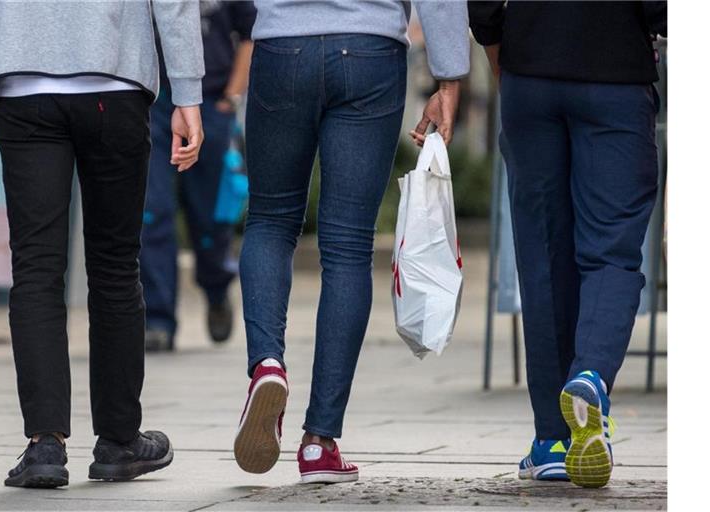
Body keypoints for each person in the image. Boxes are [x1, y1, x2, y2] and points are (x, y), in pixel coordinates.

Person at [233, 0, 469, 484]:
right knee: (348, 245)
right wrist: (449, 76)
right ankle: (320, 442)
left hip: (282, 46)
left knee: (271, 221)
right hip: (370, 49)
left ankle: (267, 365)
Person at [0, 0, 204, 488]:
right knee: (114, 265)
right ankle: (120, 442)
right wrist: (188, 95)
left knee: (37, 267)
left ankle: (45, 444)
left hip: (21, 79)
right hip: (114, 78)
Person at [468, 0, 667, 488]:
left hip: (529, 76)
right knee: (613, 252)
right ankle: (591, 377)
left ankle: (552, 443)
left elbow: (483, 6)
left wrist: (503, 55)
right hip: (616, 77)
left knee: (542, 256)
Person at [141, 1, 256, 352]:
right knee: (151, 213)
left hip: (210, 101)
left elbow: (251, 35)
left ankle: (217, 287)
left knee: (209, 217)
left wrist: (231, 99)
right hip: (152, 103)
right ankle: (158, 319)